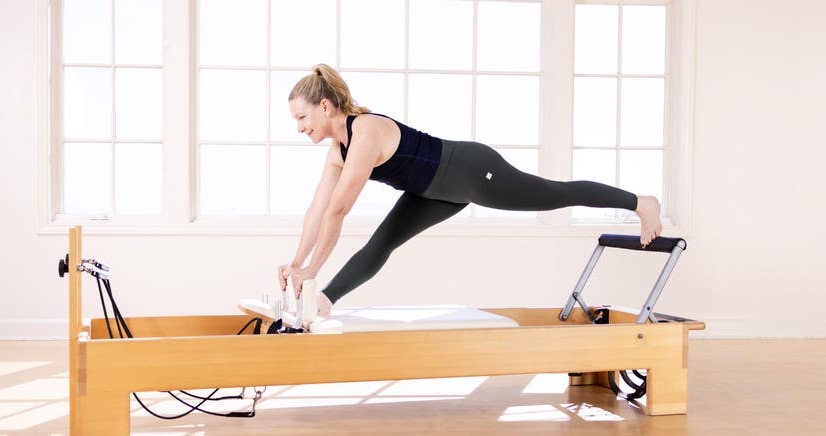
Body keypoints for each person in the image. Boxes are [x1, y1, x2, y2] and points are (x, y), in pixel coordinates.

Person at [278, 64, 662, 315]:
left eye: (302, 117)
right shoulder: (337, 151)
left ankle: (640, 202)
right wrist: (297, 264)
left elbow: (338, 211)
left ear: (325, 107)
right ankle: (324, 301)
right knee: (381, 244)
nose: (299, 127)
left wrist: (312, 268)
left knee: (554, 195)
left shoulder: (365, 132)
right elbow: (318, 209)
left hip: (471, 171)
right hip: (431, 193)